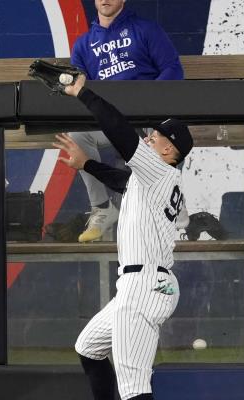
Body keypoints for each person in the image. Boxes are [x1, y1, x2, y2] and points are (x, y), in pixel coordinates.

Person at [54, 73, 191, 400]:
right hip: (142, 283)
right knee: (89, 346)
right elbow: (122, 183)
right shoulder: (157, 182)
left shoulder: (159, 170)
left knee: (134, 383)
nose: (149, 138)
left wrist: (83, 93)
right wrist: (87, 165)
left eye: (156, 136)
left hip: (143, 284)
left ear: (169, 150)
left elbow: (119, 132)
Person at [70, 0, 184, 243]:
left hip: (146, 120)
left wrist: (148, 104)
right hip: (111, 122)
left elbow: (173, 69)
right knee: (77, 135)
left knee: (164, 131)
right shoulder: (83, 45)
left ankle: (173, 210)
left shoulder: (146, 29)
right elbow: (81, 94)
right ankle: (102, 208)